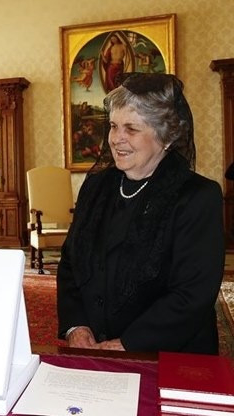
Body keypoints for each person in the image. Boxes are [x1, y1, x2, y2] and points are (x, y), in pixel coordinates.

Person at [57, 72, 225, 354]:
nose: (116, 139)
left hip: (166, 353)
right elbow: (70, 262)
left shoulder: (198, 196)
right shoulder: (96, 186)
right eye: (113, 126)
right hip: (95, 348)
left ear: (166, 137)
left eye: (131, 129)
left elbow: (192, 293)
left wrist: (128, 344)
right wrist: (77, 326)